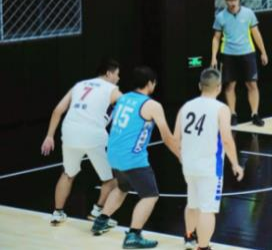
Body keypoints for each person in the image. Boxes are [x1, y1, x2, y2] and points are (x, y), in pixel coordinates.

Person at [91, 66, 180, 249]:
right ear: (150, 83)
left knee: (122, 187)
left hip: (113, 154)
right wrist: (181, 156)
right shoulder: (152, 105)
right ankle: (133, 235)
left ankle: (101, 221)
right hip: (132, 158)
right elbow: (167, 137)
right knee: (150, 196)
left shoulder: (123, 98)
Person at [40, 59, 123, 226]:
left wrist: (49, 136)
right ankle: (98, 211)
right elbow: (129, 106)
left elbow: (58, 110)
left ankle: (57, 213)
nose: (118, 78)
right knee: (112, 179)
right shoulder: (111, 89)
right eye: (117, 74)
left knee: (68, 174)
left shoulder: (79, 85)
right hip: (93, 135)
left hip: (70, 132)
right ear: (109, 73)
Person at [174, 68, 244, 250]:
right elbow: (226, 139)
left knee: (192, 203)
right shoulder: (221, 109)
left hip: (189, 165)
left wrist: (182, 157)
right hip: (210, 167)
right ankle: (203, 247)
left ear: (200, 85)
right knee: (207, 209)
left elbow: (175, 138)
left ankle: (189, 237)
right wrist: (236, 164)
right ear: (219, 87)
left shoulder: (186, 106)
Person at [211, 0, 268, 127]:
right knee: (230, 85)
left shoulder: (248, 13)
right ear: (225, 1)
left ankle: (255, 114)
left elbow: (256, 33)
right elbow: (216, 38)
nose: (233, 3)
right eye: (230, 0)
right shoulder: (220, 17)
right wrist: (213, 57)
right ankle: (232, 114)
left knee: (252, 84)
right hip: (228, 54)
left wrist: (263, 52)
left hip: (247, 53)